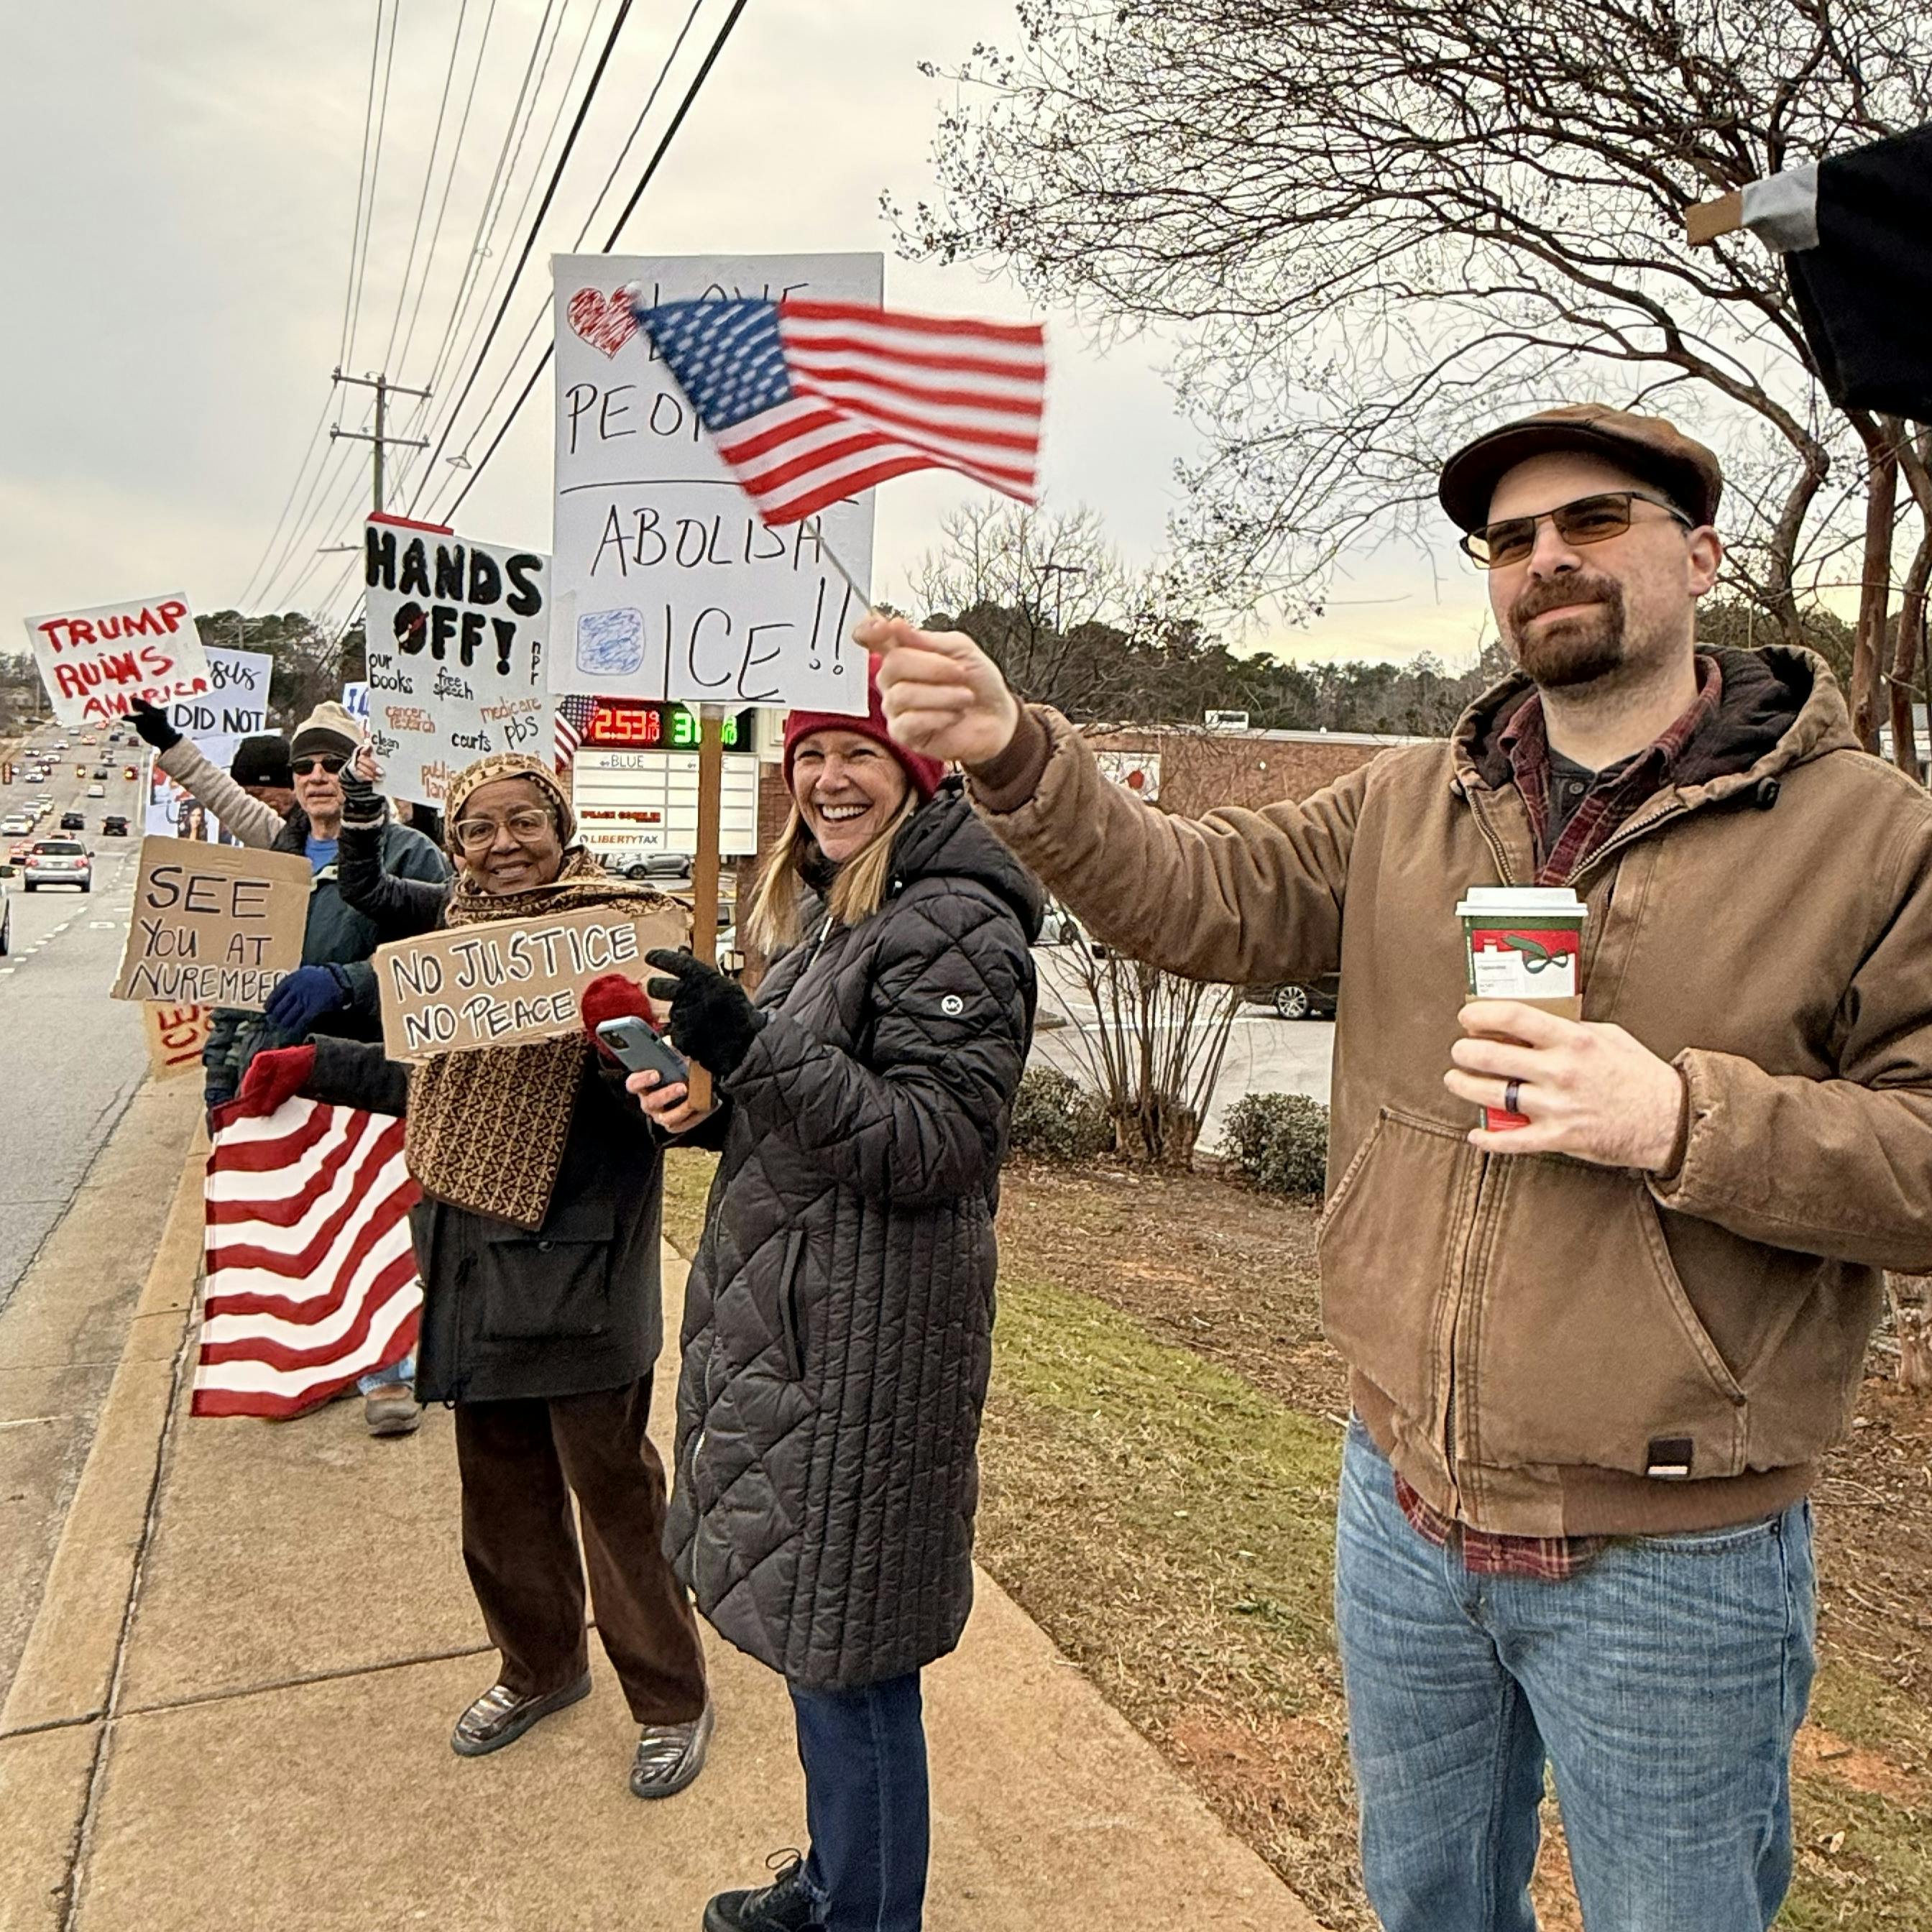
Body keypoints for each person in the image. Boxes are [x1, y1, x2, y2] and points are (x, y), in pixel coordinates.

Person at [872, 402, 1932, 1932]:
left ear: (1701, 553)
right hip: (1404, 1513)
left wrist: (1685, 1122)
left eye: (1594, 522)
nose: (1547, 559)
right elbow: (1193, 896)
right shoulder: (1409, 800)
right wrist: (1020, 750)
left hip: (1676, 1555)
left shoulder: (1869, 836)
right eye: (1511, 541)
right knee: (1425, 1904)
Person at [630, 663, 1041, 1932]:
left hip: (866, 1353)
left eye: (858, 751)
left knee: (852, 1666)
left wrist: (753, 1045)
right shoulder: (842, 909)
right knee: (823, 1646)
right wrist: (705, 1108)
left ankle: (866, 1914)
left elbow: (932, 1141)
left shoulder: (954, 919)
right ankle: (832, 1882)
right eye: (810, 754)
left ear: (920, 767)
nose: (828, 778)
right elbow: (816, 1117)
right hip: (808, 1329)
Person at [239, 751, 714, 1798]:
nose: (504, 845)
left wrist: (623, 1039)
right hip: (463, 1257)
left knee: (613, 1495)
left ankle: (671, 1694)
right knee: (499, 1493)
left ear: (563, 828)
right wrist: (315, 1063)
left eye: (524, 824)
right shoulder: (452, 948)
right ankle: (540, 1668)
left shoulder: (627, 931)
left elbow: (678, 1105)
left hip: (582, 1261)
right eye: (479, 830)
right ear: (455, 847)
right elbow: (433, 1089)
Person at [132, 697, 450, 1436]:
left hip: (374, 1063)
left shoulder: (407, 855)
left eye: (331, 763)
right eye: (304, 763)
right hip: (281, 1065)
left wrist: (345, 984)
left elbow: (432, 959)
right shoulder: (275, 846)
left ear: (358, 772)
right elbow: (220, 794)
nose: (314, 775)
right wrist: (222, 1079)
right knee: (307, 1220)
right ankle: (329, 1363)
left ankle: (389, 1374)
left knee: (380, 1217)